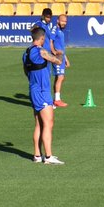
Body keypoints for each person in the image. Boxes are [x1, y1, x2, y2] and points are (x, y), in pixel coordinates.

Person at [25, 25, 64, 164]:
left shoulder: (26, 53)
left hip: (33, 89)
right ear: (42, 38)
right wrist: (59, 55)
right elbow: (56, 61)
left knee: (39, 124)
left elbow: (26, 72)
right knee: (48, 123)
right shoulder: (41, 51)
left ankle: (37, 155)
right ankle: (48, 156)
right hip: (42, 91)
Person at [51, 14, 70, 108]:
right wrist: (54, 52)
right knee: (60, 77)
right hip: (57, 57)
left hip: (61, 57)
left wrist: (66, 59)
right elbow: (50, 41)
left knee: (59, 77)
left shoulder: (61, 31)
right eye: (62, 21)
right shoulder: (55, 29)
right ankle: (57, 100)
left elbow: (61, 47)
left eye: (65, 22)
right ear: (58, 21)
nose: (64, 23)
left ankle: (56, 99)